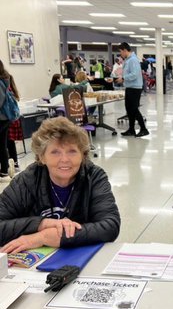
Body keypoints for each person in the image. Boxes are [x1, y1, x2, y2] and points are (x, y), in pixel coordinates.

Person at [0, 116, 120, 253]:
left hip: (80, 255)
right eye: (55, 152)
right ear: (42, 157)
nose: (64, 159)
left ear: (83, 155)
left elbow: (110, 226)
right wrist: (41, 224)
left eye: (72, 151)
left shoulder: (93, 177)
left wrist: (44, 237)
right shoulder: (26, 181)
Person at [111, 42, 148, 137]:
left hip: (135, 88)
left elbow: (134, 74)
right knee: (129, 109)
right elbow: (127, 73)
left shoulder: (133, 60)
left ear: (125, 50)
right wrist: (119, 78)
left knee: (134, 109)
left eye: (120, 51)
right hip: (129, 87)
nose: (120, 54)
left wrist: (123, 78)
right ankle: (131, 129)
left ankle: (144, 129)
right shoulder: (127, 60)